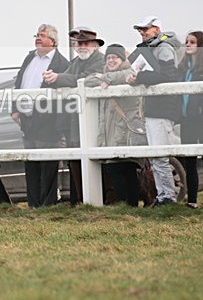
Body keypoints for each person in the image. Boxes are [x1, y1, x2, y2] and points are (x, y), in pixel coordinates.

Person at [43, 27, 105, 204]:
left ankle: (91, 199)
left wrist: (58, 78)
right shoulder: (77, 61)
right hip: (75, 120)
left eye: (85, 43)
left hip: (93, 120)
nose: (81, 47)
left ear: (94, 45)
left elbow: (85, 79)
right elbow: (69, 76)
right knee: (75, 160)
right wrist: (53, 78)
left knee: (91, 161)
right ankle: (79, 200)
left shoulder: (99, 60)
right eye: (79, 43)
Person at [126, 15, 182, 206]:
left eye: (145, 29)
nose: (142, 33)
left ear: (157, 30)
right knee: (156, 155)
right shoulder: (152, 48)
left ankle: (168, 196)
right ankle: (162, 195)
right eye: (140, 30)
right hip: (155, 108)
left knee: (160, 156)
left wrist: (141, 77)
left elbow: (168, 75)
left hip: (163, 108)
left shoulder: (164, 48)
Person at [12, 24, 70, 208]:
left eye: (42, 35)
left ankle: (48, 205)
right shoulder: (30, 57)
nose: (38, 38)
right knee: (31, 165)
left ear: (52, 41)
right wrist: (15, 108)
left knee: (48, 166)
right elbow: (19, 82)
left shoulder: (62, 63)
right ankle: (33, 204)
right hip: (27, 120)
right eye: (36, 35)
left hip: (48, 121)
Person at [85, 44, 145, 206]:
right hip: (109, 131)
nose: (111, 60)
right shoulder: (106, 73)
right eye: (108, 58)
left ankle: (130, 205)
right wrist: (105, 78)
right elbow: (87, 81)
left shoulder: (129, 72)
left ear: (122, 59)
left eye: (115, 57)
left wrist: (106, 79)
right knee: (114, 169)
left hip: (125, 129)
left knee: (128, 169)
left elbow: (130, 74)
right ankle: (124, 205)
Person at [178, 31, 203, 208]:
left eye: (193, 42)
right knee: (189, 159)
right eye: (187, 42)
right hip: (186, 118)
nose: (188, 45)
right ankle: (192, 201)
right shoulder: (183, 68)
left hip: (202, 117)